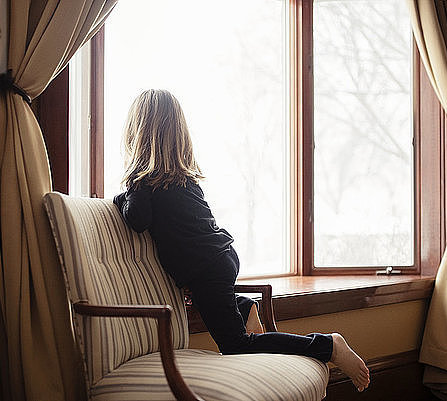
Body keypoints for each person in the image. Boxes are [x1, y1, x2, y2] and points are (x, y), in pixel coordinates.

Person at [113, 89, 370, 392]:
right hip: (219, 259)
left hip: (207, 268)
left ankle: (328, 346)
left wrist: (125, 189)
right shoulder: (184, 180)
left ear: (137, 135)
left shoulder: (144, 184)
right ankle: (245, 305)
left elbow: (136, 219)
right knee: (218, 310)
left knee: (236, 345)